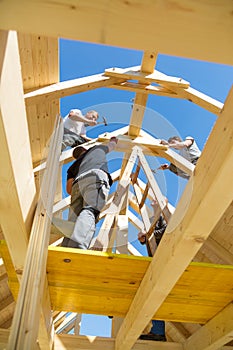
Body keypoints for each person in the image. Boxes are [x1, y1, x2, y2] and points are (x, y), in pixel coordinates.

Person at [61, 136, 118, 249]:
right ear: (85, 150)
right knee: (90, 210)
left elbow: (69, 190)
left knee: (73, 220)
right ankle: (77, 245)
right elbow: (111, 147)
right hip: (95, 176)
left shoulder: (72, 167)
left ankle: (65, 248)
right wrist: (113, 141)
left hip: (77, 184)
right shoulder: (96, 149)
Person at [138, 199, 167, 342]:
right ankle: (157, 331)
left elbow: (167, 232)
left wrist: (148, 234)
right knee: (154, 297)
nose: (152, 202)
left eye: (156, 200)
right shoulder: (152, 219)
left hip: (164, 259)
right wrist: (143, 238)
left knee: (155, 296)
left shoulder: (163, 215)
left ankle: (158, 332)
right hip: (156, 260)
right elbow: (150, 241)